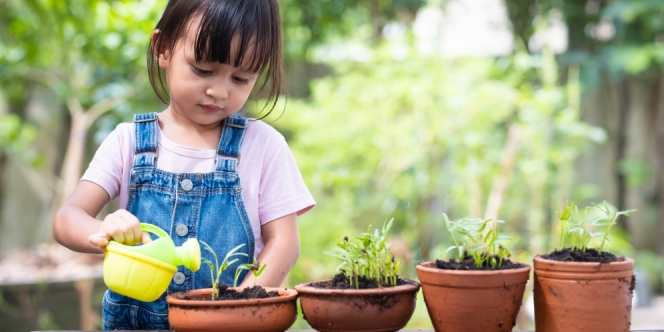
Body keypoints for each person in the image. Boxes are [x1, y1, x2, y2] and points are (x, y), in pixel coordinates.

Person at [52, 0, 315, 329]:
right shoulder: (128, 142)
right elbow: (67, 219)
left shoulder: (263, 146)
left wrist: (242, 306)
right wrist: (105, 232)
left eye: (241, 78)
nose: (218, 91)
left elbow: (284, 242)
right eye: (203, 70)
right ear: (163, 49)